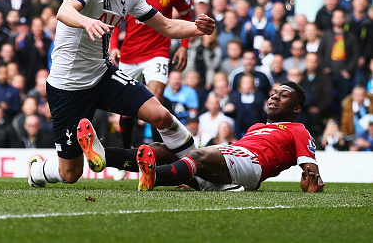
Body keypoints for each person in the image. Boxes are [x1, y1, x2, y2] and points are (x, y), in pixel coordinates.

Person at [28, 0, 215, 188]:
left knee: (161, 115)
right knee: (70, 174)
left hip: (103, 75)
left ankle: (203, 170)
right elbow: (64, 11)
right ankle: (39, 170)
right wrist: (86, 22)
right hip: (67, 86)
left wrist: (197, 28)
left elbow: (168, 27)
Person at [81, 81, 324, 193]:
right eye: (273, 93)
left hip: (252, 166)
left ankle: (155, 176)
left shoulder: (297, 129)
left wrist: (313, 182)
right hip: (228, 168)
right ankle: (104, 156)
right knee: (160, 148)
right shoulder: (256, 127)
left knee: (197, 154)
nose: (274, 97)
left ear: (296, 108)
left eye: (283, 95)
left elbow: (310, 168)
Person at [109, 0, 194, 148]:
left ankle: (158, 155)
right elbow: (113, 18)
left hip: (158, 53)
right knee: (126, 110)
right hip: (129, 55)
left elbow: (186, 15)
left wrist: (183, 46)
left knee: (155, 105)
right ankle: (126, 151)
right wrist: (113, 46)